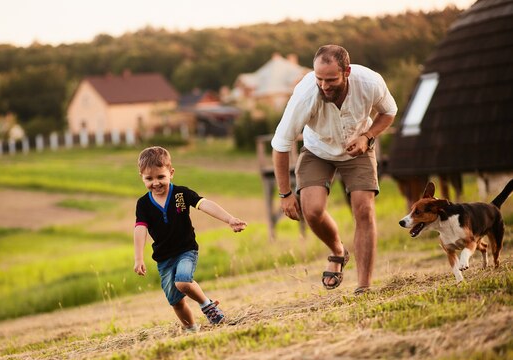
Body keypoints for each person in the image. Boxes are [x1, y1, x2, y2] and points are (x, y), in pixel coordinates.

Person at [271, 44, 397, 294]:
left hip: (359, 147)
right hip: (318, 150)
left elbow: (389, 112)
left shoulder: (370, 83)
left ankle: (364, 287)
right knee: (312, 210)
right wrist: (285, 194)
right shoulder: (305, 95)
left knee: (364, 209)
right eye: (319, 79)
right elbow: (281, 145)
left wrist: (368, 137)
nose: (324, 85)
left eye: (331, 79)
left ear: (347, 71)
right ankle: (338, 251)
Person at [133, 146, 247, 332]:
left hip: (186, 251)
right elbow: (140, 230)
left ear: (171, 173)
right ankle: (192, 330)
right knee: (176, 302)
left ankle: (207, 306)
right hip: (163, 259)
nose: (156, 183)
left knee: (183, 282)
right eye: (149, 178)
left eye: (161, 177)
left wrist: (229, 219)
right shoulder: (143, 204)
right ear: (142, 177)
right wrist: (138, 258)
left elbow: (204, 204)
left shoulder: (180, 194)